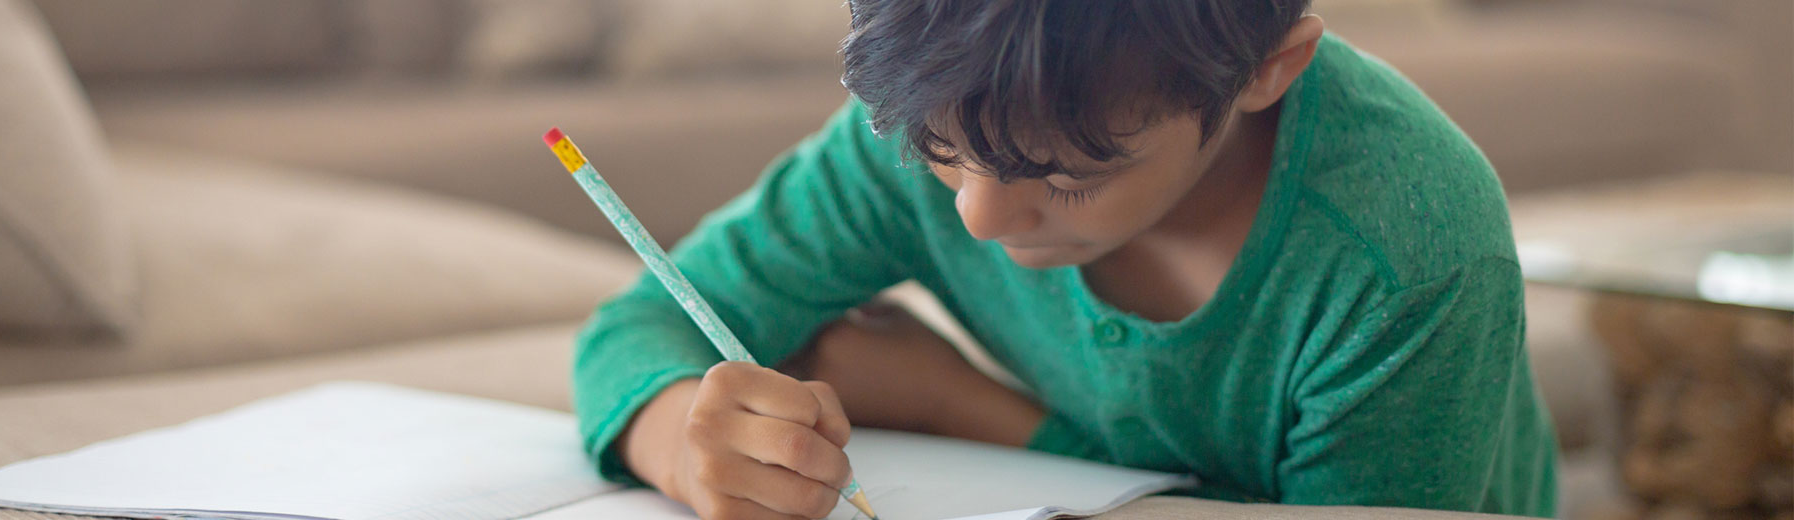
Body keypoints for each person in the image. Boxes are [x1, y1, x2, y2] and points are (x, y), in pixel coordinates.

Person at [573, 1, 1559, 518]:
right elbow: (643, 324)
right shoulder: (956, 106)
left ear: (1269, 68)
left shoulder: (1404, 251)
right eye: (936, 153)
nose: (980, 216)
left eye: (1071, 177)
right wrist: (679, 441)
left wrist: (959, 406)